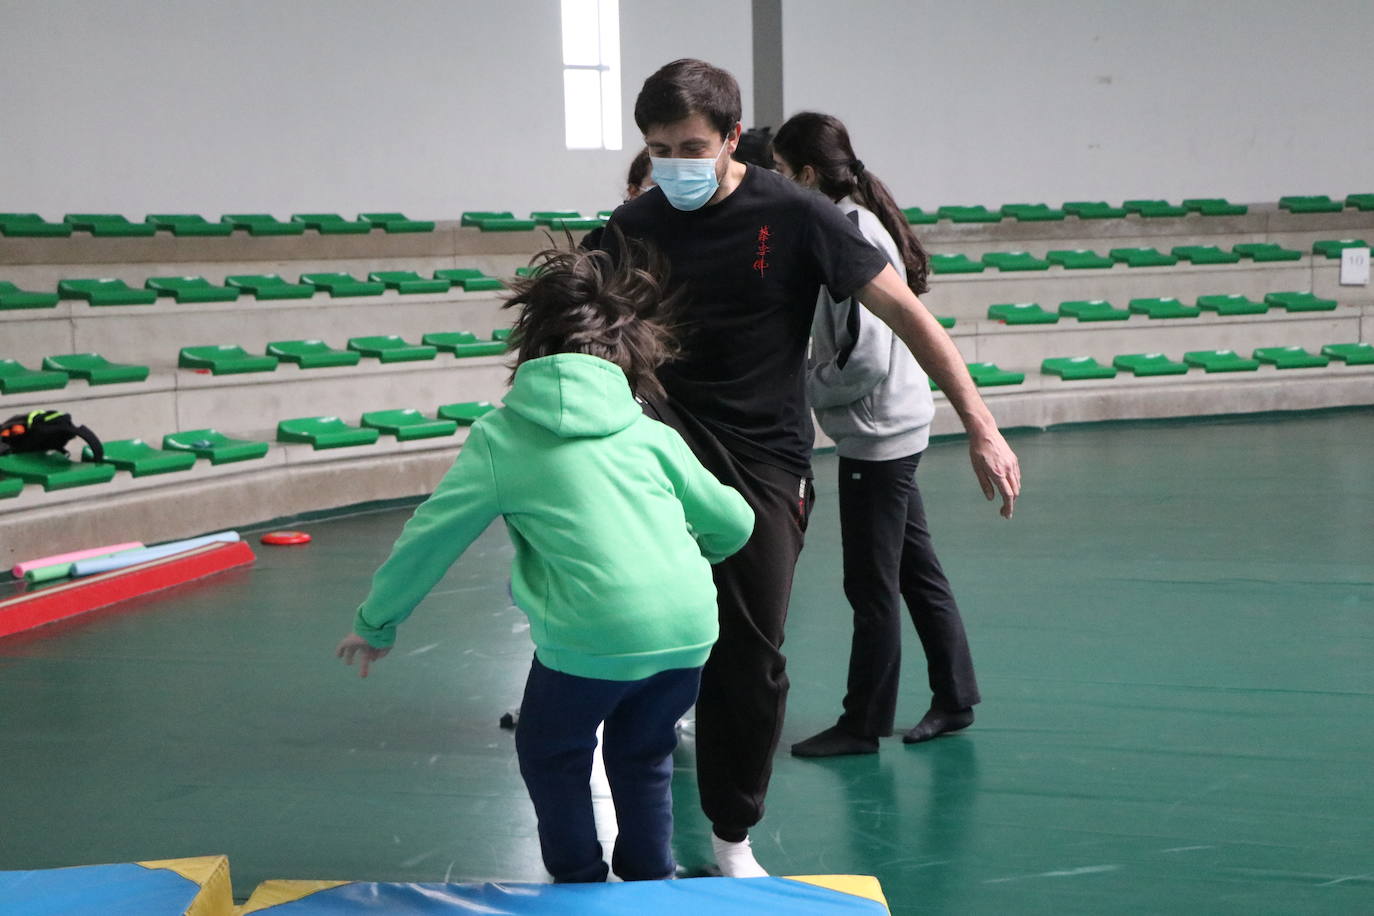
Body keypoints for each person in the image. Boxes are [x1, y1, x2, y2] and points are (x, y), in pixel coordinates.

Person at [605, 59, 1020, 877]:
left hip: (762, 461)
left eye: (692, 146)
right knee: (639, 642)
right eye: (658, 150)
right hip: (656, 451)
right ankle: (638, 839)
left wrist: (980, 421)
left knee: (750, 654)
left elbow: (905, 311)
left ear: (732, 138)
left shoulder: (792, 215)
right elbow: (576, 326)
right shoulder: (633, 225)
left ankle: (730, 838)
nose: (675, 165)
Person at [336, 238, 755, 884]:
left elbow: (432, 536)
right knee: (644, 753)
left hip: (588, 637)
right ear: (626, 353)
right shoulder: (647, 430)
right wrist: (694, 554)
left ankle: (578, 879)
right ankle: (649, 876)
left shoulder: (502, 438)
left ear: (531, 347)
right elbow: (735, 521)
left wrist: (376, 622)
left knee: (550, 749)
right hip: (685, 630)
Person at [772, 111, 980, 758]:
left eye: (782, 173)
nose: (777, 185)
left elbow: (864, 358)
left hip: (877, 439)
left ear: (807, 175)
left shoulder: (846, 233)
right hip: (895, 430)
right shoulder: (862, 221)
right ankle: (955, 696)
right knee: (915, 571)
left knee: (871, 586)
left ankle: (862, 724)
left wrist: (803, 385)